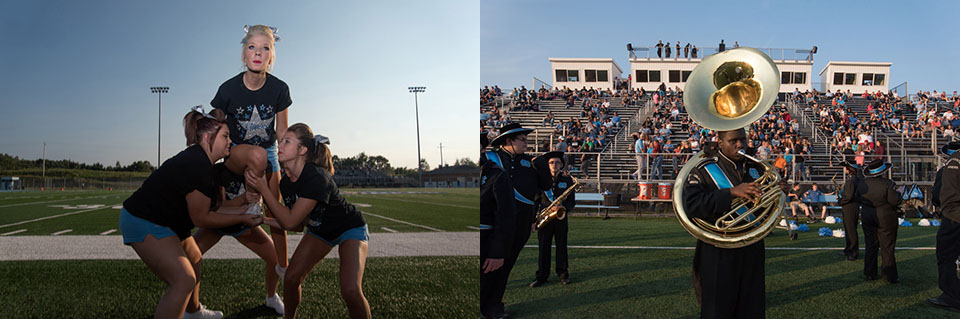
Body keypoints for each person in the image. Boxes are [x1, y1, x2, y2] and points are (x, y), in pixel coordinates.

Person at [119, 107, 263, 319]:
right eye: (225, 136)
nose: (230, 141)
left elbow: (211, 207)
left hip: (167, 221)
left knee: (194, 257)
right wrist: (242, 217)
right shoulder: (198, 165)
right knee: (183, 280)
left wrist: (242, 206)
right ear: (207, 137)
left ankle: (193, 312)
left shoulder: (204, 162)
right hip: (143, 220)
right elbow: (201, 218)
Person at [245, 123, 371, 319]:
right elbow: (296, 225)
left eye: (287, 141)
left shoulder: (316, 177)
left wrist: (264, 189)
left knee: (350, 289)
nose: (280, 145)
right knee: (291, 278)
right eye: (281, 141)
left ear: (302, 150)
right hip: (319, 232)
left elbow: (289, 221)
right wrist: (263, 220)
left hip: (349, 228)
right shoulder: (286, 183)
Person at [211, 25, 291, 276]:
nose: (258, 53)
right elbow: (216, 128)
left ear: (272, 56)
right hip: (236, 152)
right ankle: (249, 204)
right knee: (253, 159)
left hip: (268, 151)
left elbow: (281, 133)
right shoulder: (227, 89)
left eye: (265, 48)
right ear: (244, 54)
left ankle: (282, 271)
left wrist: (289, 166)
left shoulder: (280, 88)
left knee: (276, 214)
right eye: (252, 47)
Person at [681, 128, 768, 318]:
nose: (740, 145)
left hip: (752, 248)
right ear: (720, 143)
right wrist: (730, 193)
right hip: (718, 250)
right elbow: (691, 205)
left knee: (752, 309)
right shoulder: (704, 170)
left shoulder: (756, 168)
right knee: (717, 310)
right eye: (733, 141)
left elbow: (765, 210)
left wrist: (776, 191)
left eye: (743, 140)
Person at [188, 161, 285, 315]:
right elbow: (217, 206)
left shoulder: (256, 170)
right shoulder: (219, 170)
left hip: (243, 226)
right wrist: (242, 201)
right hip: (217, 224)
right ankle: (192, 310)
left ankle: (271, 297)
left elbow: (264, 202)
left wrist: (258, 202)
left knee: (275, 257)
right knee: (190, 256)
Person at [479, 123, 551, 318]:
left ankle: (493, 305)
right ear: (509, 141)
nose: (527, 143)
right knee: (489, 263)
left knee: (506, 265)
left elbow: (545, 186)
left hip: (521, 222)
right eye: (522, 139)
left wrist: (543, 167)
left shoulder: (531, 162)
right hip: (496, 220)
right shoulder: (491, 159)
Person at [530, 151, 576, 288]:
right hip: (545, 217)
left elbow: (572, 202)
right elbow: (536, 201)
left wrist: (563, 208)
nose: (554, 165)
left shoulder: (568, 181)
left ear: (561, 165)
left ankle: (563, 274)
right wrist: (533, 219)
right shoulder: (541, 181)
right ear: (547, 165)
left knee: (562, 247)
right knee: (544, 247)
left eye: (557, 162)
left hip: (561, 218)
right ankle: (542, 276)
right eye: (551, 162)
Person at [855, 158, 902, 283]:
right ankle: (889, 275)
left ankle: (870, 272)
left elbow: (857, 198)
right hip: (886, 216)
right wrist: (899, 195)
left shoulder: (862, 183)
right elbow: (895, 201)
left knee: (871, 245)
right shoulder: (887, 184)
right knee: (887, 246)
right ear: (883, 171)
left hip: (867, 215)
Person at [929, 141, 960, 311]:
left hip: (953, 217)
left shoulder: (952, 164)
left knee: (946, 256)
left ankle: (952, 296)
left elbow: (939, 195)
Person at [838, 159, 863, 261]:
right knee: (848, 229)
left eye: (845, 167)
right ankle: (848, 248)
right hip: (849, 206)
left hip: (850, 206)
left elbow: (849, 196)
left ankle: (853, 252)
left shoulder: (852, 180)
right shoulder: (852, 178)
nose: (844, 169)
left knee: (851, 230)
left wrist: (840, 200)